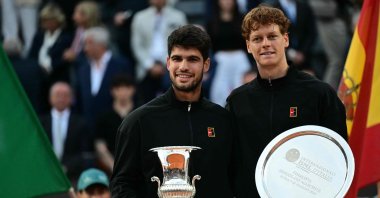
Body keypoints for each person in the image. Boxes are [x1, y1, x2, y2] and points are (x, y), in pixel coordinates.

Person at [226, 5, 347, 197]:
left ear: (286, 39)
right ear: (249, 46)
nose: (265, 43)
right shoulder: (237, 101)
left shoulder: (319, 94)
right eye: (257, 38)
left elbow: (338, 157)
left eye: (272, 36)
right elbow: (231, 163)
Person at [111, 24, 235, 197]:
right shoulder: (138, 122)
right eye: (177, 59)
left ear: (206, 65)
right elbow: (121, 186)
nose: (183, 67)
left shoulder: (222, 121)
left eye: (192, 59)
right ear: (168, 63)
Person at [131, 0, 187, 104]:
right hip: (145, 69)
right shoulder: (140, 17)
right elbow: (137, 45)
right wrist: (149, 65)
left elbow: (181, 43)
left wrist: (165, 62)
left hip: (170, 66)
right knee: (146, 105)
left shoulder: (178, 16)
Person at [39, 82, 91, 183]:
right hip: (45, 175)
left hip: (73, 177)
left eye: (65, 95)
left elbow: (83, 153)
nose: (61, 98)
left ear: (71, 98)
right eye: (57, 95)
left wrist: (66, 168)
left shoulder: (81, 123)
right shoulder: (41, 122)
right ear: (50, 98)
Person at [95, 74, 136, 174]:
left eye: (126, 88)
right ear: (112, 91)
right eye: (118, 88)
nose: (122, 92)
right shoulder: (104, 117)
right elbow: (100, 145)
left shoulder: (141, 115)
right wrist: (112, 165)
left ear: (133, 90)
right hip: (110, 169)